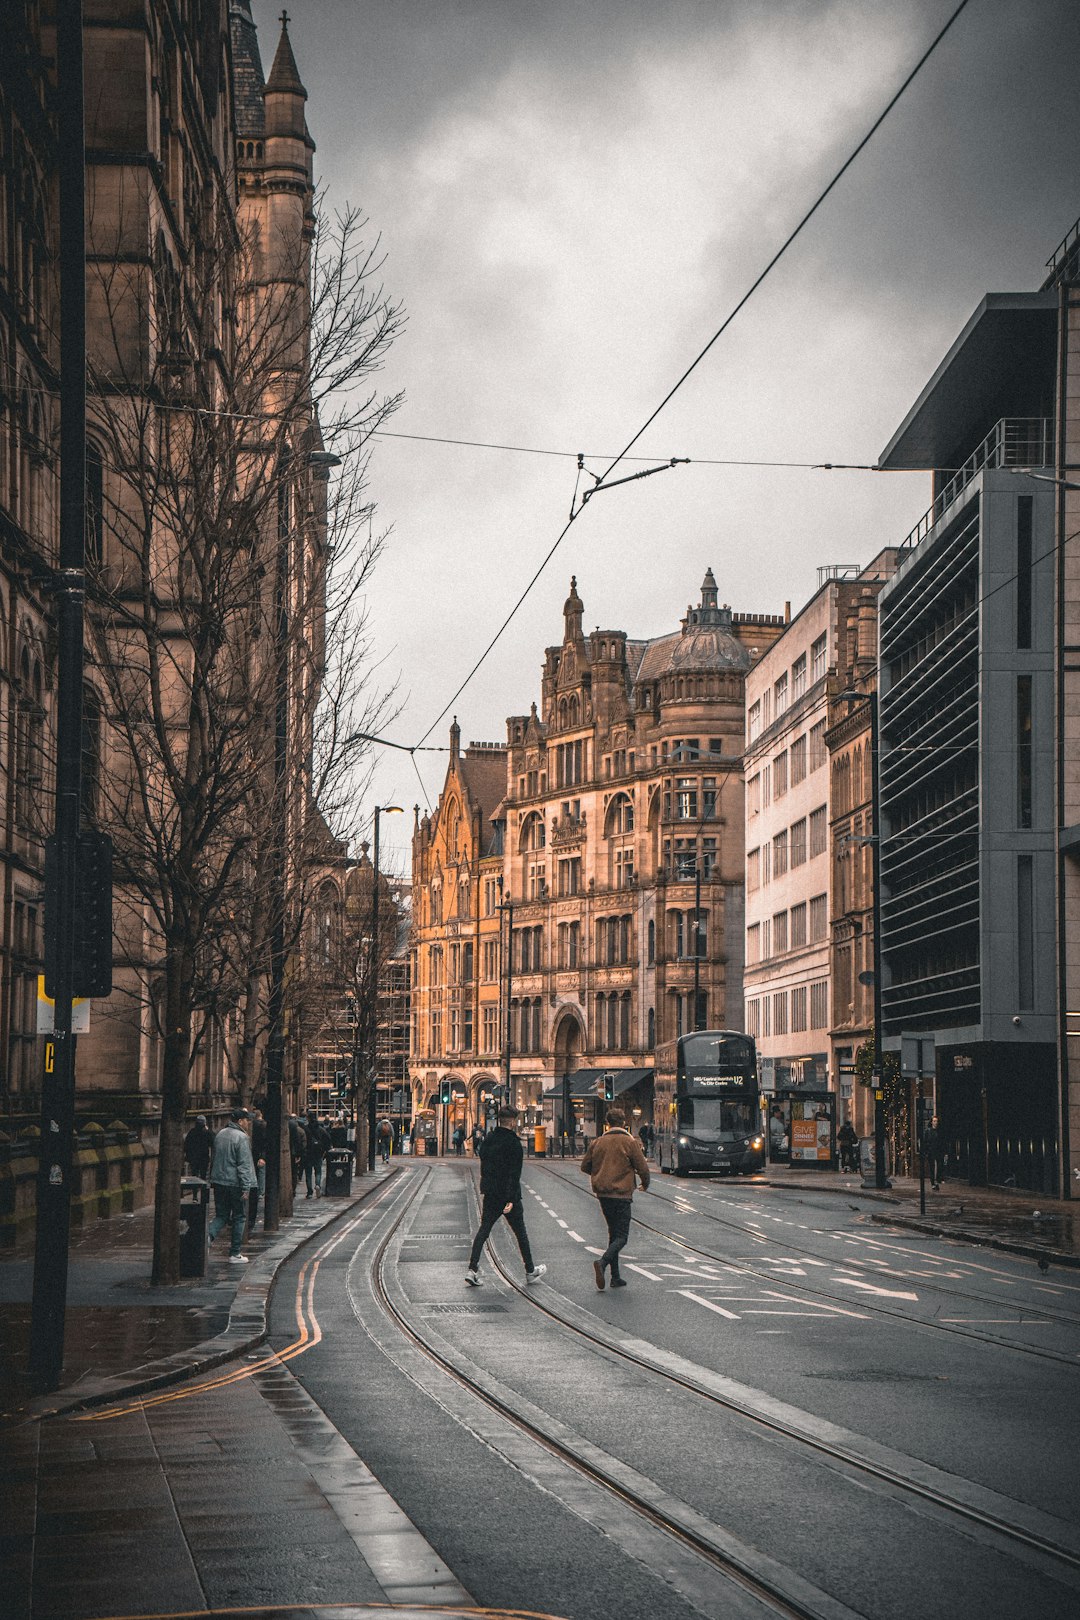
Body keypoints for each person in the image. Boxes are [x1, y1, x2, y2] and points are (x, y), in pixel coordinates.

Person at [465, 1106, 546, 1287]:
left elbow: (484, 1164)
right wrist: (510, 1199)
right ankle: (530, 1270)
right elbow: (513, 1174)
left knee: (484, 1230)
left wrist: (486, 1186)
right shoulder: (514, 1144)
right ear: (512, 1121)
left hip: (491, 1193)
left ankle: (472, 1269)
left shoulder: (489, 1140)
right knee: (520, 1233)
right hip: (508, 1196)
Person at [580, 1107, 650, 1290]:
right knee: (622, 1237)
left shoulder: (598, 1142)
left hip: (603, 1194)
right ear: (623, 1122)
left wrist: (599, 1173)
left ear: (607, 1123)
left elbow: (585, 1166)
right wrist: (644, 1183)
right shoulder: (629, 1142)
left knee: (613, 1233)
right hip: (621, 1193)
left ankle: (615, 1277)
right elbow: (642, 1167)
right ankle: (602, 1263)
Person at [207, 1107, 258, 1263]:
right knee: (239, 1217)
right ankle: (235, 1253)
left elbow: (214, 1158)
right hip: (235, 1184)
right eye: (247, 1120)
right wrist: (246, 1187)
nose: (249, 1123)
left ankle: (207, 1237)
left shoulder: (220, 1134)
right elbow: (243, 1165)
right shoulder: (241, 1137)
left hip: (219, 1182)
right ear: (240, 1121)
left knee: (221, 1215)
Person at [248, 1105, 267, 1228]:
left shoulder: (250, 1127)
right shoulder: (264, 1126)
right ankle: (261, 1191)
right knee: (261, 1173)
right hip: (259, 1155)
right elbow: (266, 1142)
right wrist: (263, 1156)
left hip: (253, 1154)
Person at [304, 1110, 330, 1197]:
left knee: (308, 1173)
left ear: (308, 1118)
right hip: (318, 1153)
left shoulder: (305, 1129)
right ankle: (318, 1185)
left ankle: (309, 1192)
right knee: (318, 1171)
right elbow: (327, 1140)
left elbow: (303, 1141)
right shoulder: (321, 1129)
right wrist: (325, 1151)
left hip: (308, 1154)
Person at [183, 1114, 213, 1180]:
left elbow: (186, 1145)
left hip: (193, 1158)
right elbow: (212, 1142)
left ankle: (195, 1189)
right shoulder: (206, 1133)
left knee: (194, 1175)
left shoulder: (192, 1132)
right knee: (203, 1176)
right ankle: (203, 1189)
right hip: (203, 1158)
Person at [923, 1116, 944, 1189]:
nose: (936, 1123)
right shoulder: (928, 1131)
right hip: (931, 1151)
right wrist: (926, 1151)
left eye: (936, 1121)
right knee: (932, 1167)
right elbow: (925, 1142)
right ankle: (933, 1182)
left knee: (939, 1165)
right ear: (931, 1122)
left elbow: (942, 1141)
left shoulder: (939, 1131)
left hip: (938, 1151)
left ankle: (938, 1179)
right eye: (934, 1121)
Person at [288, 1114, 307, 1191]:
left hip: (290, 1152)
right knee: (294, 1172)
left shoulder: (286, 1126)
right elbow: (301, 1142)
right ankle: (293, 1190)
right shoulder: (299, 1129)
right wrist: (299, 1154)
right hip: (294, 1153)